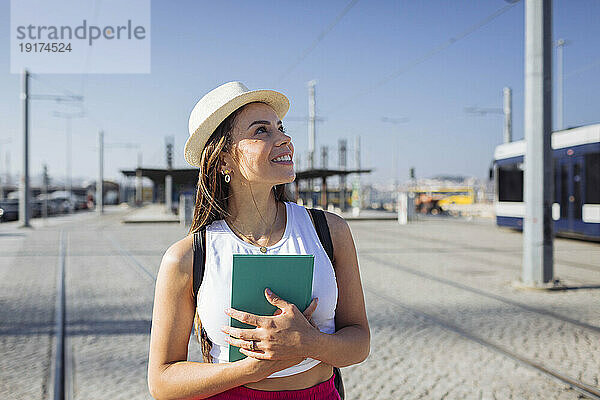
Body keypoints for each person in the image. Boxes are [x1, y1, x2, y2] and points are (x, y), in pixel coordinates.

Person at [147, 81, 370, 399]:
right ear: (223, 158)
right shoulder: (188, 256)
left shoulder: (329, 231)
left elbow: (359, 344)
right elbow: (162, 381)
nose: (285, 139)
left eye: (280, 128)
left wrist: (308, 343)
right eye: (262, 131)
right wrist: (255, 368)